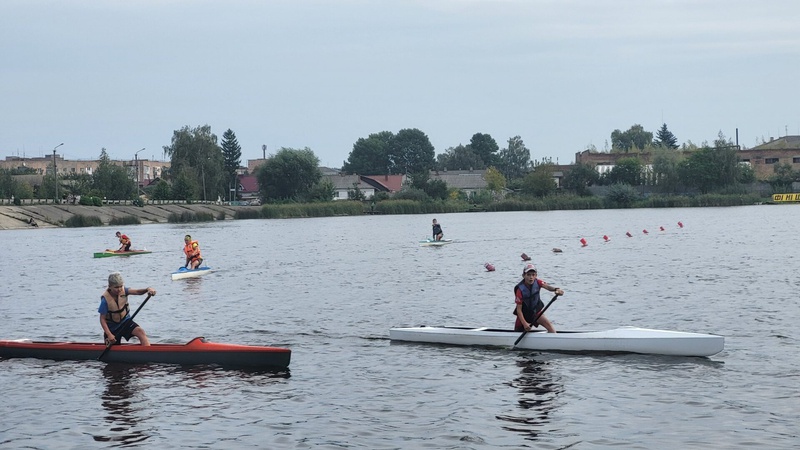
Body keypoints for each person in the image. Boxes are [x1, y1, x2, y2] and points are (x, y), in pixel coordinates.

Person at [99, 272, 156, 346]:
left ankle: (149, 353)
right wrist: (109, 334)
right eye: (116, 287)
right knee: (114, 347)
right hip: (112, 329)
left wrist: (147, 289)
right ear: (109, 286)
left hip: (125, 323)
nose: (119, 289)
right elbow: (102, 319)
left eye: (121, 286)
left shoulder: (124, 291)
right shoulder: (105, 300)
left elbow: (138, 292)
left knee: (140, 332)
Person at [513, 263, 564, 333]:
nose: (531, 277)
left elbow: (548, 287)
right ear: (523, 276)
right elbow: (519, 310)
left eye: (533, 275)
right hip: (523, 315)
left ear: (536, 276)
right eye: (528, 275)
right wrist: (525, 324)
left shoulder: (538, 282)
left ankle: (554, 338)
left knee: (549, 326)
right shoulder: (520, 289)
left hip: (535, 312)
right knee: (517, 332)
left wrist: (556, 289)